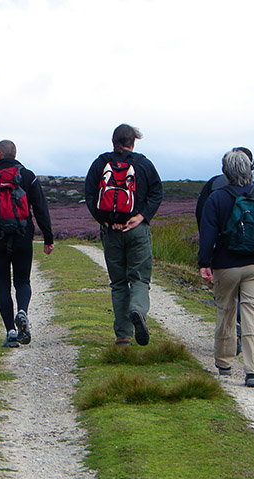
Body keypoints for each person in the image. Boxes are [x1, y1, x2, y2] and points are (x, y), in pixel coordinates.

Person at [198, 149, 254, 387]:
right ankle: (253, 371)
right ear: (250, 169)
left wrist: (204, 263)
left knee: (226, 311)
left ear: (225, 172)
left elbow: (207, 236)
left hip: (225, 266)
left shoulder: (216, 198)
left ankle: (224, 364)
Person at [84, 124, 163, 347]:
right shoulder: (144, 164)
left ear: (113, 141)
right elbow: (157, 193)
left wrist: (105, 220)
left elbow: (90, 195)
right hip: (137, 231)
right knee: (139, 279)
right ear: (133, 142)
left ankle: (123, 336)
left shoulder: (101, 163)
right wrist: (141, 216)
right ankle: (137, 310)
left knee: (118, 283)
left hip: (111, 232)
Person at [0, 139, 54, 347]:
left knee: (2, 284)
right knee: (23, 282)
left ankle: (10, 332)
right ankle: (22, 312)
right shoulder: (28, 176)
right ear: (15, 155)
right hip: (23, 237)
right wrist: (48, 238)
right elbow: (41, 209)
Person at [195, 147, 254, 355]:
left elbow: (202, 220)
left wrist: (205, 257)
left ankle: (225, 356)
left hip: (223, 258)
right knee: (252, 303)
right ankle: (253, 364)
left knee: (226, 302)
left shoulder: (213, 187)